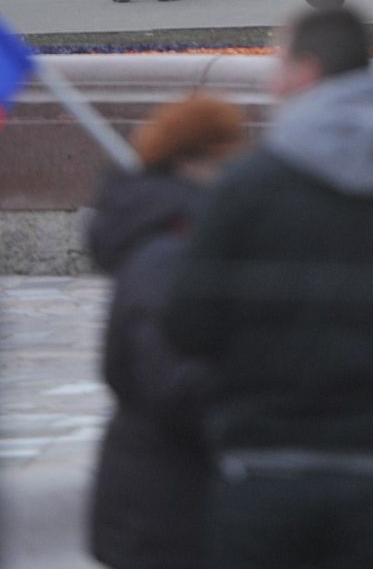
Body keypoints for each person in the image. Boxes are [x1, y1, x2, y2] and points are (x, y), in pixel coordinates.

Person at [166, 3, 373, 569]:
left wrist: (251, 377)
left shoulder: (248, 189)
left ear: (309, 70)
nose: (272, 83)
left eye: (280, 64)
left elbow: (185, 324)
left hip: (258, 476)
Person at [88, 95, 245, 569]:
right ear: (192, 161)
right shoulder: (170, 253)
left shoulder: (178, 239)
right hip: (163, 508)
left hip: (164, 497)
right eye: (227, 161)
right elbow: (172, 381)